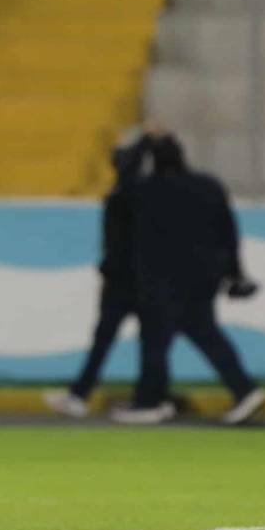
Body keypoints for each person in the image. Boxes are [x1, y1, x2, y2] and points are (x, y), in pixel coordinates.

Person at [111, 134, 265, 425]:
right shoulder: (209, 186)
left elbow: (122, 176)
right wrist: (234, 272)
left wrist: (143, 141)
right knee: (205, 334)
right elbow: (228, 233)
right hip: (203, 278)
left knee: (155, 341)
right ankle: (243, 389)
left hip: (161, 279)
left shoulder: (146, 190)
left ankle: (150, 401)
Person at [43, 133, 151, 418]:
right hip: (138, 279)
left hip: (125, 281)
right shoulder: (140, 192)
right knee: (145, 342)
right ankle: (144, 397)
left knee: (109, 340)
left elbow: (119, 245)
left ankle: (87, 394)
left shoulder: (126, 194)